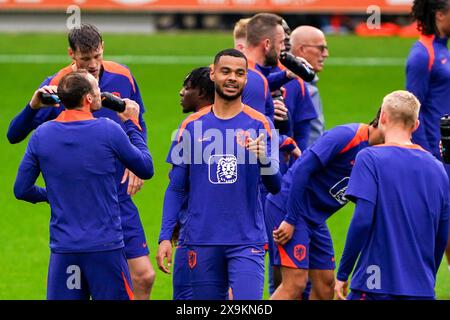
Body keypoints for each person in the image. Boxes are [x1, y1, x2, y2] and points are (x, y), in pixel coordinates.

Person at [6, 24, 156, 299]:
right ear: (71, 55)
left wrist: (137, 167)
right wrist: (32, 108)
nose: (93, 65)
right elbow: (14, 135)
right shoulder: (60, 86)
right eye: (85, 60)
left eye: (97, 56)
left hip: (117, 194)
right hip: (84, 202)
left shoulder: (123, 76)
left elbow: (138, 119)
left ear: (103, 48)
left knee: (144, 276)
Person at [158, 48, 281, 300]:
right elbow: (176, 188)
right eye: (225, 71)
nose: (232, 78)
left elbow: (275, 185)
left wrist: (264, 159)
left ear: (246, 78)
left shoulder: (261, 124)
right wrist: (164, 237)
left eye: (239, 73)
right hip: (202, 240)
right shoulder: (190, 126)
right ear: (213, 74)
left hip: (246, 240)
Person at [335, 90, 449, 300]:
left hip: (374, 286)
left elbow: (362, 220)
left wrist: (343, 273)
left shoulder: (369, 158)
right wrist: (425, 276)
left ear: (383, 118)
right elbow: (443, 234)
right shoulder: (438, 168)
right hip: (421, 289)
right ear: (416, 125)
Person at [266, 108, 384, 300]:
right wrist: (291, 218)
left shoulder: (379, 156)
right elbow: (303, 169)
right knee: (295, 283)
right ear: (384, 120)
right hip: (288, 207)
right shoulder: (347, 136)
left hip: (314, 218)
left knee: (326, 284)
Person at [157, 66, 214, 300]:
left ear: (201, 93)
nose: (181, 93)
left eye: (187, 88)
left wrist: (166, 233)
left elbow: (177, 187)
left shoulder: (191, 125)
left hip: (195, 234)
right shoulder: (243, 121)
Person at [407, 0, 450, 270]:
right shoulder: (422, 55)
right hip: (437, 156)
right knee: (437, 228)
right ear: (440, 15)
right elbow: (413, 110)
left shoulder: (441, 50)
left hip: (446, 153)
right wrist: (426, 158)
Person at [290, 26, 330, 146]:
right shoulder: (297, 87)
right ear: (302, 49)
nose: (326, 54)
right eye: (321, 48)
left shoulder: (308, 84)